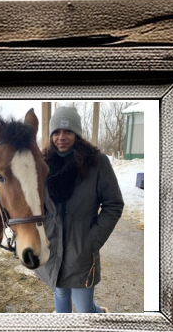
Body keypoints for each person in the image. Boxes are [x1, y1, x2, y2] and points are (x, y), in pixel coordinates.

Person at [35, 106, 124, 313]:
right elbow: (37, 204)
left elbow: (114, 204)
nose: (61, 137)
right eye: (56, 132)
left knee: (85, 311)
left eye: (68, 131)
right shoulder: (43, 163)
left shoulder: (97, 162)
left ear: (77, 134)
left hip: (81, 247)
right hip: (53, 246)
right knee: (61, 294)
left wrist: (93, 239)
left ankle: (97, 316)